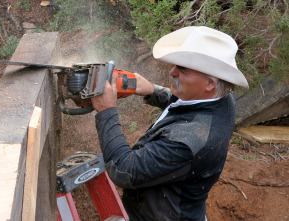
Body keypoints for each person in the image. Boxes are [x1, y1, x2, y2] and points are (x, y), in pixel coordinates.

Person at [90, 26, 249, 220]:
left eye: (182, 69)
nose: (172, 72)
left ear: (210, 83)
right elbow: (190, 105)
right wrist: (152, 91)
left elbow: (124, 170)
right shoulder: (221, 99)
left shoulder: (187, 141)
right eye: (175, 65)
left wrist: (106, 111)